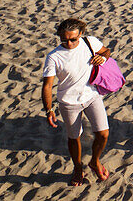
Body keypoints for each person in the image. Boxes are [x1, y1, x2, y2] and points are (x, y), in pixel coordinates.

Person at [42, 18, 113, 186]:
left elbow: (107, 51)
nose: (69, 43)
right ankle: (77, 168)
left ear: (80, 34)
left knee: (103, 134)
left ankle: (95, 161)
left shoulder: (90, 42)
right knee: (74, 137)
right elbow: (47, 85)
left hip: (91, 96)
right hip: (68, 102)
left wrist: (102, 58)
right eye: (64, 40)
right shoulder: (53, 57)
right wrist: (49, 109)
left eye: (73, 39)